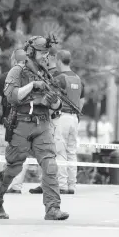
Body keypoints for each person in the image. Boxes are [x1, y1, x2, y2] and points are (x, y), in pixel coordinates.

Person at [0, 36, 69, 220]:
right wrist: (32, 85)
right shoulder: (17, 71)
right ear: (31, 51)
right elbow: (11, 96)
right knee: (13, 168)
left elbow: (57, 106)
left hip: (42, 124)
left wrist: (53, 101)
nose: (45, 56)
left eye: (47, 53)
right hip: (21, 124)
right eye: (42, 52)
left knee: (50, 165)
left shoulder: (46, 73)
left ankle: (52, 208)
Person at [29, 50, 84, 195]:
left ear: (59, 60)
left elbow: (51, 96)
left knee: (59, 151)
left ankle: (62, 184)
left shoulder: (60, 78)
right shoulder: (78, 79)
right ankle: (72, 185)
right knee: (71, 151)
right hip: (74, 118)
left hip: (61, 117)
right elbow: (81, 100)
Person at [0, 50, 29, 194]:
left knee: (1, 152)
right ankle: (16, 186)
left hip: (7, 121)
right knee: (21, 154)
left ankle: (1, 184)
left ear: (13, 61)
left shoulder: (4, 77)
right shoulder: (31, 78)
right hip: (25, 123)